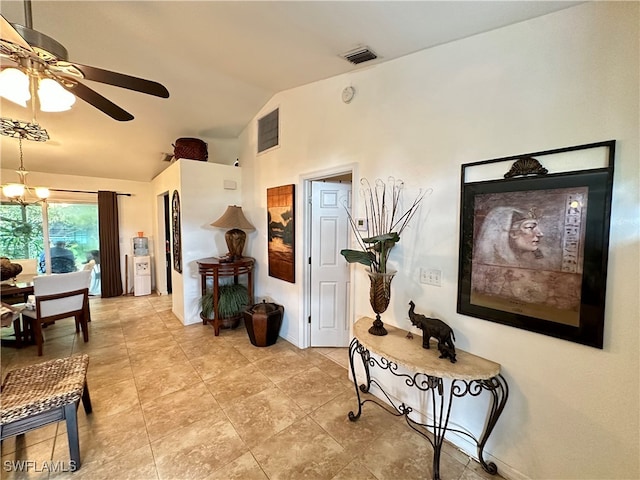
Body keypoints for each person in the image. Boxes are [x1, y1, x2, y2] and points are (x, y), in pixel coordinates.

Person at [473, 207, 544, 268]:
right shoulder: (496, 265)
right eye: (530, 227)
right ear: (513, 233)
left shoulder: (526, 264)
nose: (540, 234)